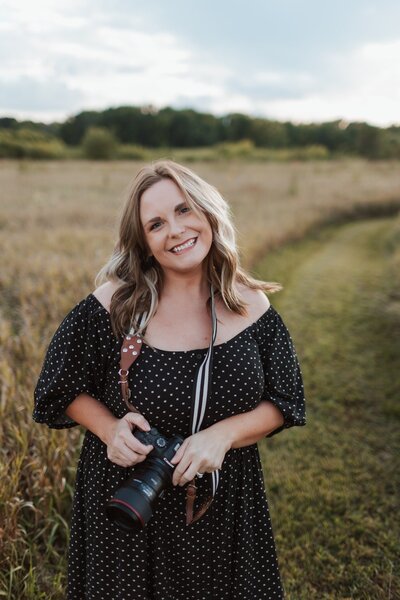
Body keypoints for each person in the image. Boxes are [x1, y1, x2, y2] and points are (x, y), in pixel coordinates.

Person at [33, 159, 307, 599]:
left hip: (223, 504)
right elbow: (58, 388)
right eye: (156, 224)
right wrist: (109, 429)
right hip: (129, 505)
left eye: (183, 210)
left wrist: (222, 436)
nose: (175, 231)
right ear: (142, 242)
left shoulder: (250, 306)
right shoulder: (115, 304)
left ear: (207, 211)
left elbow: (285, 401)